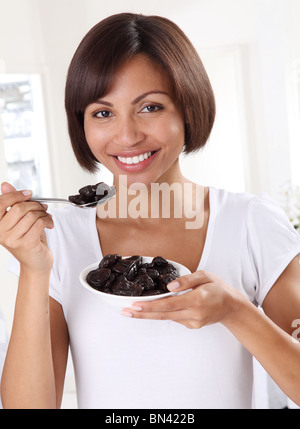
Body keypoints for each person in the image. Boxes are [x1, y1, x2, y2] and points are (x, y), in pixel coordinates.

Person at [0, 12, 300, 409]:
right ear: (82, 124)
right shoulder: (58, 237)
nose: (127, 136)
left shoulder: (251, 223)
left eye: (150, 107)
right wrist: (35, 271)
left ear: (188, 108)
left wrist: (235, 311)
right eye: (103, 113)